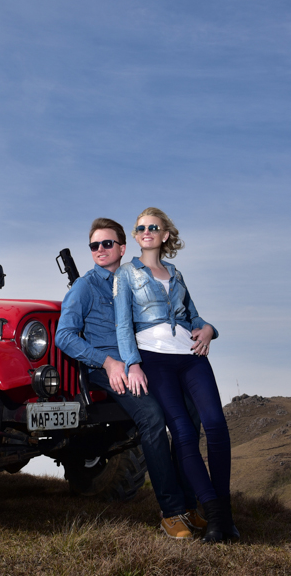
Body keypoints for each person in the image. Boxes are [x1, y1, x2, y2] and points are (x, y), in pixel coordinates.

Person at [56, 217, 204, 540]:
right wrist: (107, 362)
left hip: (142, 362)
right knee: (152, 416)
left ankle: (190, 503)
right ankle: (171, 512)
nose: (100, 249)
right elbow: (64, 335)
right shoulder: (84, 287)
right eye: (94, 245)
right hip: (106, 369)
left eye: (107, 243)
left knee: (191, 412)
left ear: (122, 248)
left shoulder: (135, 280)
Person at [113, 207, 239, 544]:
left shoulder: (176, 273)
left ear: (165, 234)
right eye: (141, 227)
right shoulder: (126, 274)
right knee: (182, 432)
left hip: (191, 356)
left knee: (216, 425)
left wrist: (210, 329)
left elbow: (193, 316)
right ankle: (214, 516)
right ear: (136, 236)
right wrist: (132, 363)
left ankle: (225, 515)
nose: (146, 231)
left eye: (153, 227)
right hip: (154, 359)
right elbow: (123, 325)